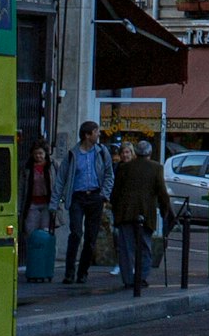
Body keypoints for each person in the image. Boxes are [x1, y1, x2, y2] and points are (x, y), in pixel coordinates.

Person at [108, 135, 166, 295]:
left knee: (126, 248)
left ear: (136, 153)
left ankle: (128, 279)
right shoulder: (156, 168)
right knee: (145, 247)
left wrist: (115, 208)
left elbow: (116, 191)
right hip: (145, 213)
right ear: (149, 153)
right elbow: (162, 191)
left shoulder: (124, 168)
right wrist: (165, 209)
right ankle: (141, 277)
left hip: (125, 212)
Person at [62, 122, 114, 288]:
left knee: (90, 238)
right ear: (87, 135)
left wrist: (103, 195)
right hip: (77, 197)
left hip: (95, 197)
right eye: (96, 132)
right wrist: (54, 203)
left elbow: (108, 174)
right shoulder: (73, 154)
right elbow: (61, 178)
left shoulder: (101, 152)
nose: (98, 134)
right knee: (76, 233)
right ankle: (69, 272)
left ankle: (83, 272)